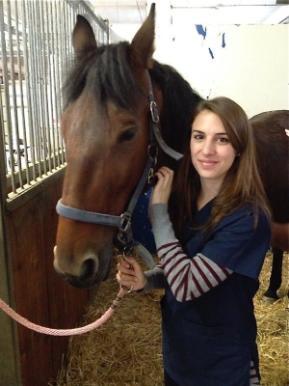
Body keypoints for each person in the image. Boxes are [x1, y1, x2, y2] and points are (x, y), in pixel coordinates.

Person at [116, 96, 271, 386]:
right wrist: (147, 280)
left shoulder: (248, 217)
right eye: (199, 137)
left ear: (239, 148)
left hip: (222, 366)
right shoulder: (189, 200)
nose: (207, 150)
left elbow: (187, 285)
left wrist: (158, 214)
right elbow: (183, 267)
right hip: (180, 356)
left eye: (222, 139)